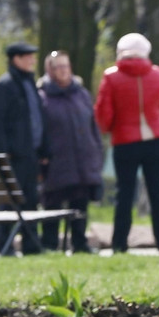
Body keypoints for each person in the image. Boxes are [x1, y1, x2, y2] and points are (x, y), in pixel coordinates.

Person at [94, 33, 159, 253]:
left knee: (125, 194)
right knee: (158, 193)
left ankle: (119, 245)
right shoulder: (157, 73)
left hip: (124, 141)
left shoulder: (111, 77)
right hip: (156, 139)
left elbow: (104, 112)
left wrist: (108, 129)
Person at [0, 41, 49, 255]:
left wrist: (43, 150)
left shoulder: (29, 84)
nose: (32, 60)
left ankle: (31, 245)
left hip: (30, 155)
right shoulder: (4, 87)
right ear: (16, 59)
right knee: (8, 203)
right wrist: (2, 155)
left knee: (31, 201)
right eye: (27, 56)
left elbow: (38, 119)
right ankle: (5, 245)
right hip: (13, 157)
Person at [38, 51, 103, 253]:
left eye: (66, 66)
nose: (63, 70)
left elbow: (92, 124)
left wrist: (96, 150)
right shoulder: (42, 96)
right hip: (57, 160)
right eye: (58, 67)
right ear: (50, 70)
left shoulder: (81, 93)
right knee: (53, 203)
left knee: (80, 204)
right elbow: (38, 129)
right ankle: (49, 243)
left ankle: (79, 243)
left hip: (83, 158)